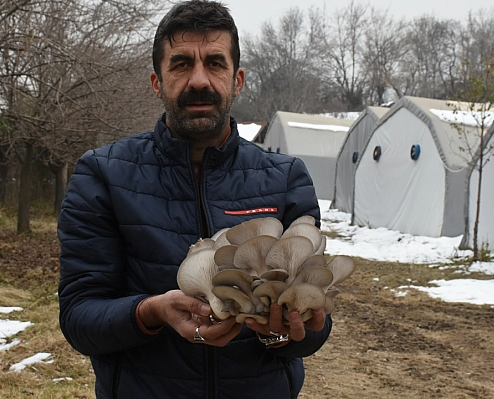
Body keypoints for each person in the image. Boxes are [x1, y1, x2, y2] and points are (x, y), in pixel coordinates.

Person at [57, 1, 331, 398]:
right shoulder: (104, 174)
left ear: (237, 80)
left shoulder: (286, 178)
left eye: (215, 63)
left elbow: (312, 326)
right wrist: (150, 312)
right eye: (182, 63)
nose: (199, 80)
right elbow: (80, 319)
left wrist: (284, 334)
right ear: (157, 82)